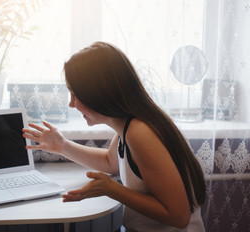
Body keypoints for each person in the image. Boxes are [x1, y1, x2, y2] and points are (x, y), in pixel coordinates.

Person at [23, 42, 206, 231]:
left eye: (76, 95)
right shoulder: (127, 126)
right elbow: (110, 162)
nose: (72, 104)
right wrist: (62, 145)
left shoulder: (140, 132)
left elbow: (179, 216)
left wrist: (111, 189)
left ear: (98, 93)